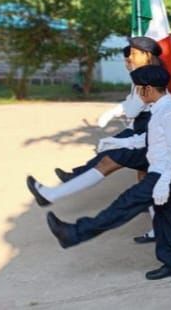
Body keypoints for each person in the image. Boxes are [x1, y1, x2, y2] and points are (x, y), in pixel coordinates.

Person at [44, 65, 171, 280]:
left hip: (167, 173)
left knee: (124, 205)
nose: (138, 94)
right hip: (166, 172)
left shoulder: (169, 113)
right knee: (165, 216)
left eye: (139, 89)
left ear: (148, 89)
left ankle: (73, 234)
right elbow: (149, 140)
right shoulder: (160, 109)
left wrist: (164, 181)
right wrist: (117, 141)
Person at [28, 37, 163, 244]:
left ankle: (52, 196)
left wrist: (118, 120)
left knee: (110, 168)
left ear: (146, 55)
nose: (130, 58)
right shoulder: (144, 77)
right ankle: (159, 232)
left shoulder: (146, 80)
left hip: (146, 139)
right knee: (145, 185)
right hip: (145, 137)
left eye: (134, 54)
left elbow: (136, 108)